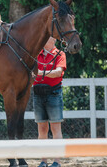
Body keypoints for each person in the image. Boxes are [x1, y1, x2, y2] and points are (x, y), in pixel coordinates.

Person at [33, 37, 66, 167]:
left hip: (54, 93)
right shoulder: (35, 54)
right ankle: (43, 161)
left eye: (49, 37)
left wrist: (40, 73)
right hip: (38, 94)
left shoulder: (60, 54)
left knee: (55, 128)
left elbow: (58, 73)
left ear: (53, 41)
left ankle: (57, 161)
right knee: (42, 129)